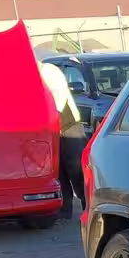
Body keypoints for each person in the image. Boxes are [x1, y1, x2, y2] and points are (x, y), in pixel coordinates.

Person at [38, 61, 86, 219]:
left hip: (68, 127)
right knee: (59, 173)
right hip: (51, 132)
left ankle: (88, 207)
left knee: (76, 170)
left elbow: (59, 95)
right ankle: (65, 210)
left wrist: (51, 117)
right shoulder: (32, 77)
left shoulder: (48, 71)